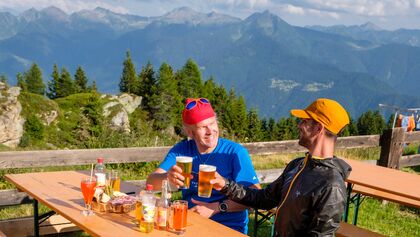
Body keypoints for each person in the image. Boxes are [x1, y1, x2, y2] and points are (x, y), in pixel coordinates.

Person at [211, 98, 352, 237]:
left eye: (304, 121)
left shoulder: (331, 185)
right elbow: (264, 199)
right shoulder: (297, 165)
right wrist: (225, 184)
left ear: (318, 128)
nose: (299, 125)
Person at [146, 97, 261, 234]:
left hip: (228, 228)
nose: (210, 131)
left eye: (212, 123)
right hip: (189, 224)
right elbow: (150, 182)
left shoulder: (235, 152)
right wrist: (167, 176)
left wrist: (217, 207)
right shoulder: (182, 150)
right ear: (190, 132)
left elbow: (255, 196)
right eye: (202, 127)